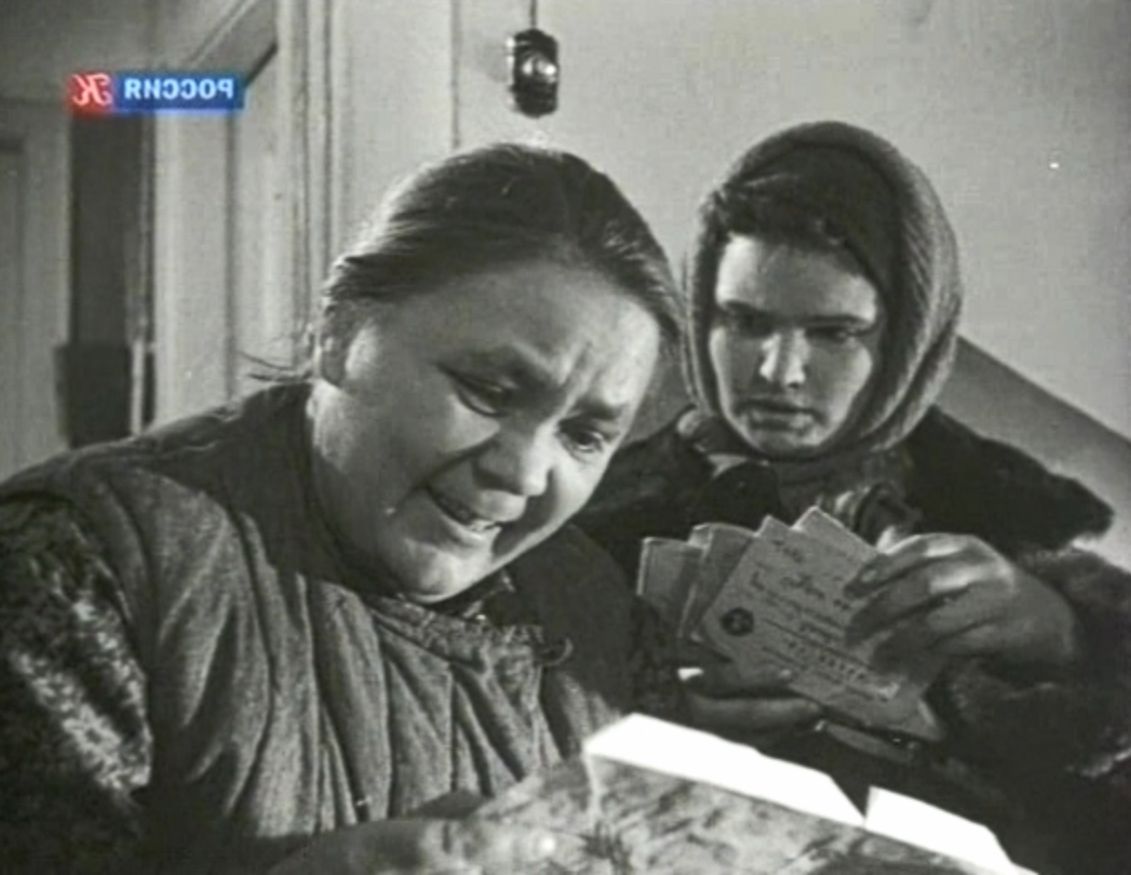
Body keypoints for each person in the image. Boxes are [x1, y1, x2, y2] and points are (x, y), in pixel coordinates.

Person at [0, 143, 685, 873]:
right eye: (488, 391)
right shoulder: (78, 560)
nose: (522, 472)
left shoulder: (600, 611)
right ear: (339, 332)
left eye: (584, 435)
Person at [577, 120, 1131, 873]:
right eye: (744, 322)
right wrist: (643, 725)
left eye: (833, 332)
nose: (778, 372)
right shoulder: (587, 523)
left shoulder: (1016, 525)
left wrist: (1063, 639)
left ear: (904, 339)